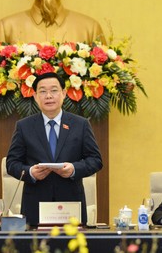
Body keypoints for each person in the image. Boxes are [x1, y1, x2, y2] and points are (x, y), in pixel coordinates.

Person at [6, 72, 103, 227]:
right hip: (35, 206)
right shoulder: (24, 126)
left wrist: (73, 169)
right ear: (35, 96)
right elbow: (12, 163)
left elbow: (96, 160)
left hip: (71, 205)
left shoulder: (80, 124)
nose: (48, 96)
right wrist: (31, 172)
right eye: (43, 91)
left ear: (64, 93)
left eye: (54, 90)